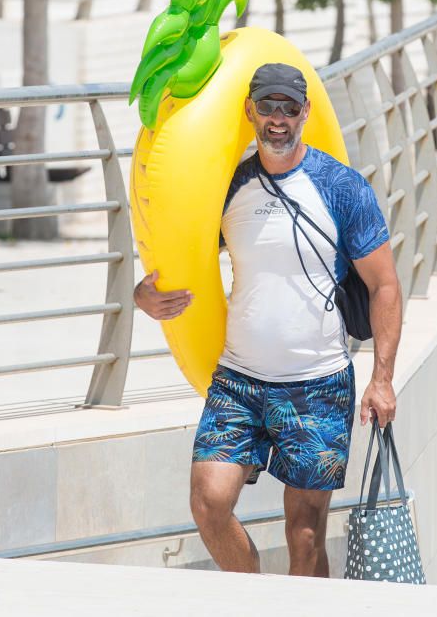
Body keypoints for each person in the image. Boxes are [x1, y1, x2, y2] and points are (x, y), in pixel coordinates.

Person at [133, 62, 402, 577]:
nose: (277, 118)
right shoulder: (227, 187)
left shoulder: (341, 187)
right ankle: (254, 600)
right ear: (249, 111)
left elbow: (384, 284)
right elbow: (178, 255)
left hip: (318, 383)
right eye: (267, 106)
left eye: (288, 107)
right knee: (208, 503)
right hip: (239, 381)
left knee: (304, 535)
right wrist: (144, 295)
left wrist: (382, 379)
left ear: (305, 112)